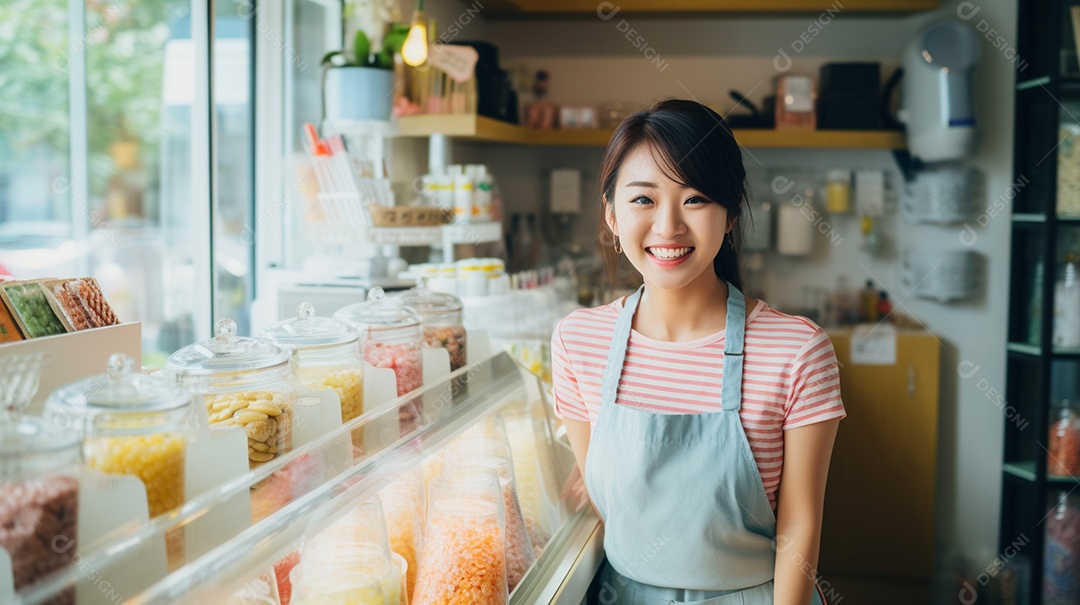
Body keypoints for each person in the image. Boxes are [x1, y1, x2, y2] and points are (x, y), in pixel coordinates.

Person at [552, 99, 845, 605]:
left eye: (695, 199)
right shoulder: (577, 342)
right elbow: (607, 504)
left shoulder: (798, 350)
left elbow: (801, 523)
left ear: (730, 215)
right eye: (643, 199)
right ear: (611, 215)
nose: (668, 227)